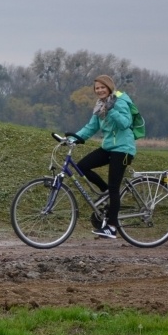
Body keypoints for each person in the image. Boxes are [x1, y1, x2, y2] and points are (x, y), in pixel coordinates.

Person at [72, 74, 137, 239]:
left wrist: (111, 109)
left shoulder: (120, 102)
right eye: (97, 88)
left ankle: (112, 227)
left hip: (123, 148)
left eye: (102, 87)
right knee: (81, 166)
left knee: (115, 187)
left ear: (109, 88)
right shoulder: (99, 106)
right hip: (109, 147)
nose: (100, 90)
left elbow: (125, 123)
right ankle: (105, 191)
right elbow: (91, 127)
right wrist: (73, 139)